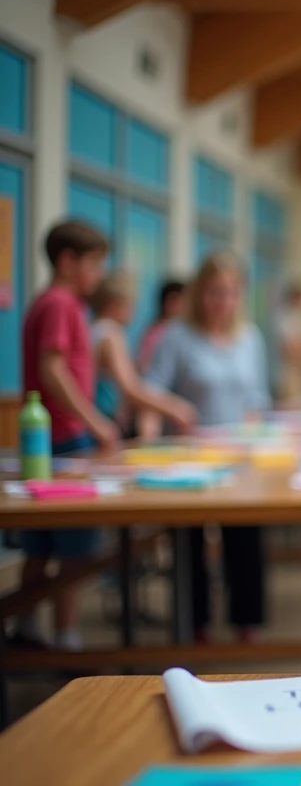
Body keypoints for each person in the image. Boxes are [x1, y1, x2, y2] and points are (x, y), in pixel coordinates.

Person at [144, 252, 271, 644]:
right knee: (191, 541)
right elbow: (150, 389)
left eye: (231, 293)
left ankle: (245, 623)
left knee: (245, 538)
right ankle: (193, 622)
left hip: (239, 456)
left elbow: (259, 396)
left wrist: (253, 422)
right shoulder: (176, 337)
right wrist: (156, 431)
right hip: (189, 459)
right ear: (200, 293)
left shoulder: (250, 337)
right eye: (216, 292)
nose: (223, 301)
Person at [15, 220, 118, 650]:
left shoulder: (48, 300)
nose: (98, 275)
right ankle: (66, 638)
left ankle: (26, 628)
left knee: (39, 546)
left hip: (44, 440)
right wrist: (96, 422)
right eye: (93, 264)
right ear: (67, 261)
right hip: (66, 439)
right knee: (77, 550)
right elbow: (52, 369)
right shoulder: (61, 303)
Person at [89, 271, 196, 437]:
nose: (135, 311)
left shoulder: (93, 329)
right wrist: (174, 408)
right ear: (117, 304)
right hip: (103, 420)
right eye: (132, 304)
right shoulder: (110, 334)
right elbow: (130, 388)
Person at [274, 282, 301, 404]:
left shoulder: (300, 318)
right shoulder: (286, 319)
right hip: (290, 374)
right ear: (296, 299)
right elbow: (290, 349)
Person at [137, 279, 186, 373]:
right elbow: (143, 365)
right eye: (174, 300)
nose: (179, 305)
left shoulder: (185, 331)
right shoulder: (156, 331)